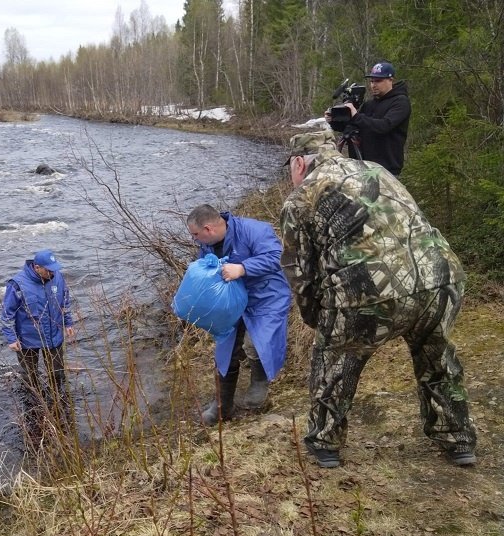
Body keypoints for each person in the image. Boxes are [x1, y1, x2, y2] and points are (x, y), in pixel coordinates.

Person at [279, 130, 477, 468]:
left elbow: (300, 272)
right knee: (437, 358)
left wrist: (317, 320)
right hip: (440, 277)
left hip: (369, 290)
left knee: (335, 362)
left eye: (291, 168)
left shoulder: (301, 198)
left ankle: (325, 443)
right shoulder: (376, 169)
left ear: (300, 162)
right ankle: (458, 440)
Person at [186, 204, 291, 425]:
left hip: (266, 295)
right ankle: (222, 406)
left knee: (255, 342)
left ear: (208, 229)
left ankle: (259, 384)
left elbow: (276, 257)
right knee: (225, 348)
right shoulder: (207, 245)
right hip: (232, 299)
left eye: (195, 235)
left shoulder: (254, 230)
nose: (195, 240)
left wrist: (242, 268)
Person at [0, 249, 75, 434]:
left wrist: (68, 322)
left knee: (57, 373)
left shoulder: (58, 278)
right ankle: (34, 410)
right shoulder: (17, 284)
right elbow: (6, 314)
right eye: (48, 270)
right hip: (27, 339)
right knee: (30, 377)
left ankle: (59, 406)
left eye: (54, 269)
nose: (52, 273)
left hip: (54, 335)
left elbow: (65, 301)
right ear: (37, 267)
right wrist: (11, 338)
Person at [326, 61, 411, 176]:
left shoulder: (400, 102)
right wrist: (335, 121)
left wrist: (356, 116)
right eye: (372, 81)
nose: (373, 85)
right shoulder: (370, 104)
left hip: (385, 170)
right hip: (362, 168)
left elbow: (384, 126)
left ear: (391, 80)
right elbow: (355, 126)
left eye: (378, 81)